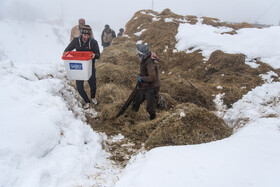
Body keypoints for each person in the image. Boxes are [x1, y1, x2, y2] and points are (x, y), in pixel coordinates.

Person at [64, 25, 100, 109]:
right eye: (84, 35)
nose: (86, 37)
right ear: (82, 34)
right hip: (79, 67)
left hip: (89, 66)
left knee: (92, 84)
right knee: (79, 87)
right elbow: (68, 49)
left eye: (88, 35)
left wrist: (94, 55)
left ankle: (93, 97)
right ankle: (87, 101)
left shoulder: (94, 42)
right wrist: (65, 52)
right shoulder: (76, 41)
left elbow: (98, 54)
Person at [132, 44, 160, 120]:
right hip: (145, 85)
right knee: (136, 101)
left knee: (150, 108)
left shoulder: (149, 62)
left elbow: (152, 77)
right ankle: (132, 117)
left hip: (152, 87)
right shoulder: (145, 59)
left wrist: (141, 78)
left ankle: (153, 120)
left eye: (139, 53)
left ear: (142, 53)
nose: (138, 55)